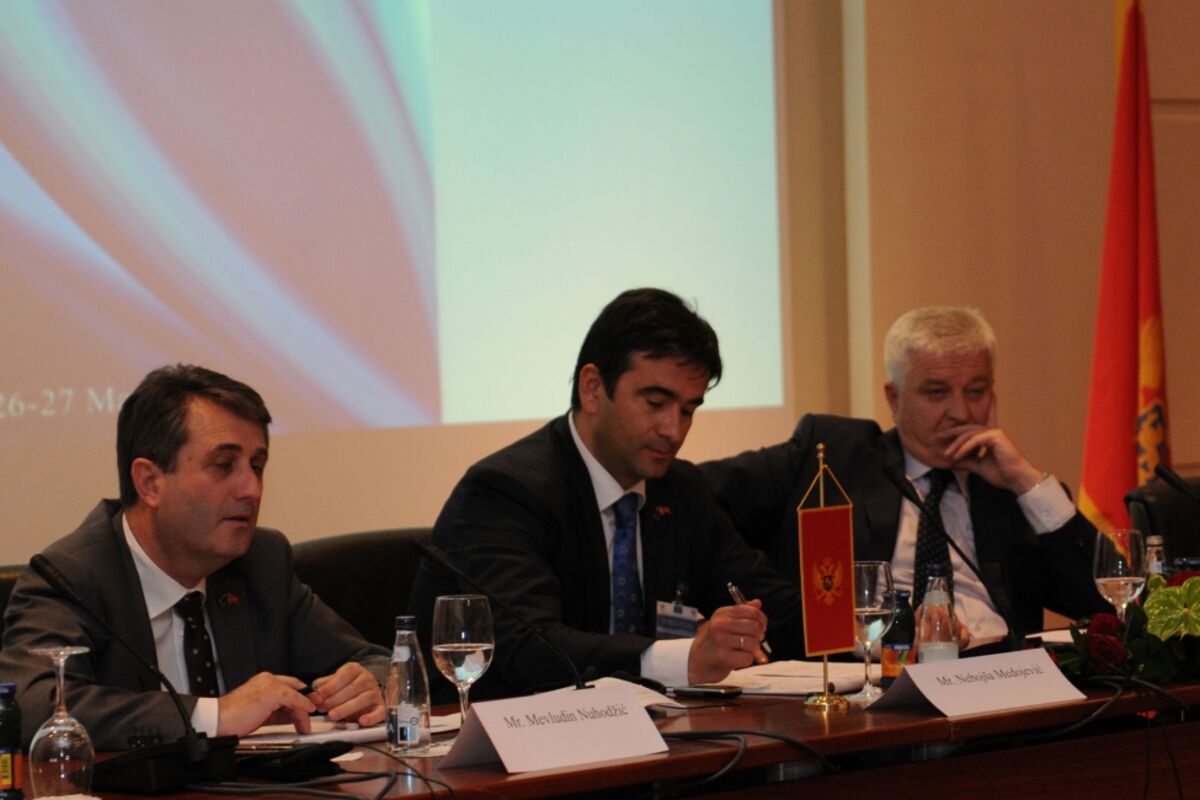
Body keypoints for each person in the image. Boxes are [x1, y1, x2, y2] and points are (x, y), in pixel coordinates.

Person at [409, 288, 805, 700]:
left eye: (688, 410)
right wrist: (680, 659)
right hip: (486, 732)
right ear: (593, 388)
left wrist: (844, 614)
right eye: (656, 402)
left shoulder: (682, 491)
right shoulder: (505, 492)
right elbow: (529, 651)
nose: (674, 430)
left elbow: (774, 607)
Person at [0, 365, 388, 749]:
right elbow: (29, 706)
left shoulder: (262, 562)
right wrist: (215, 715)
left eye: (257, 466)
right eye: (224, 465)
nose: (252, 489)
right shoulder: (69, 577)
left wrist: (369, 685)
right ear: (150, 483)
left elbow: (375, 661)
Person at [700, 306, 1110, 647]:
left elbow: (1107, 607)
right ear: (893, 398)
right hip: (874, 683)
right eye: (937, 392)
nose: (961, 412)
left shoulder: (1015, 492)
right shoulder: (832, 454)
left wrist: (1026, 482)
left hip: (998, 685)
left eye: (975, 391)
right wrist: (793, 609)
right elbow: (696, 500)